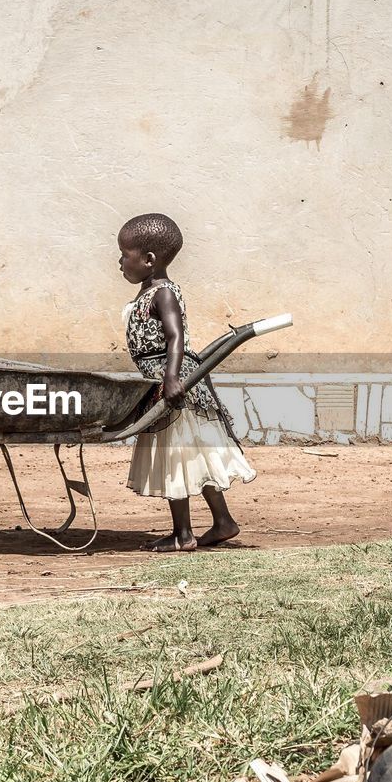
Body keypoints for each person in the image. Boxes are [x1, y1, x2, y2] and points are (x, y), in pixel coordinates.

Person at [117, 212, 256, 552]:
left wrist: (172, 377)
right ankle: (223, 522)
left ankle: (183, 534)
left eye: (124, 254)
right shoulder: (145, 293)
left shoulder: (163, 293)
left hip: (173, 385)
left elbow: (175, 337)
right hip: (161, 383)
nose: (119, 260)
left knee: (175, 456)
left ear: (149, 260)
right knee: (192, 456)